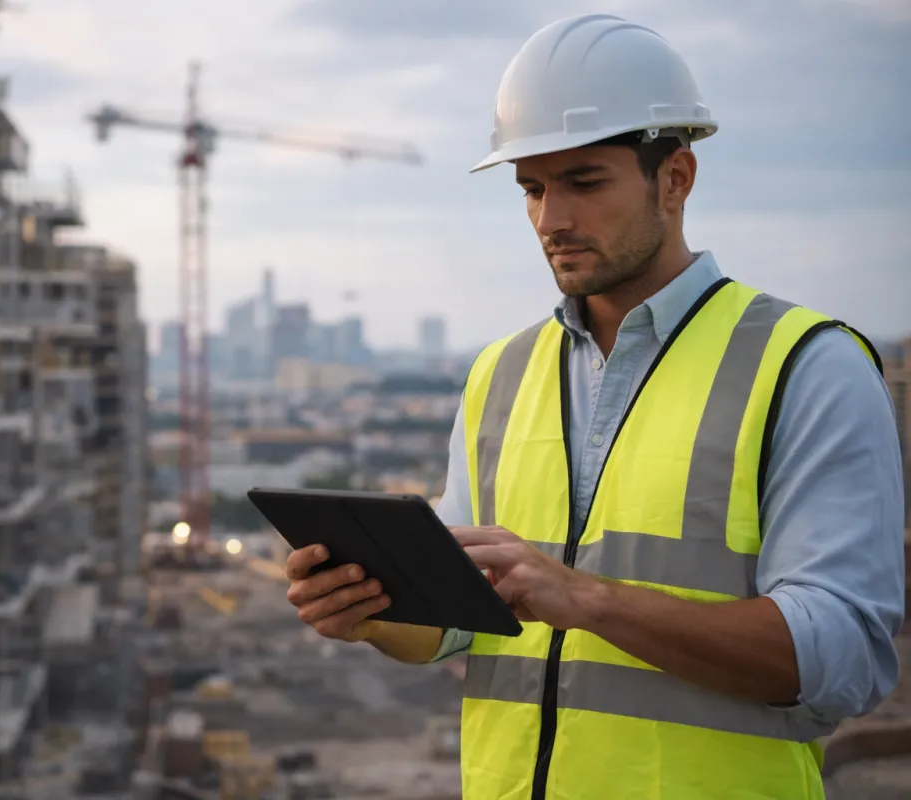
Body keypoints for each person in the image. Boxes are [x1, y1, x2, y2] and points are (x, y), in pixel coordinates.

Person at [282, 12, 905, 800]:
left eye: (584, 181)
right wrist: (368, 609)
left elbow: (842, 661)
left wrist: (588, 600)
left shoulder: (806, 368)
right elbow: (455, 625)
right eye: (532, 188)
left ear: (675, 177)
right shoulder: (500, 375)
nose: (551, 220)